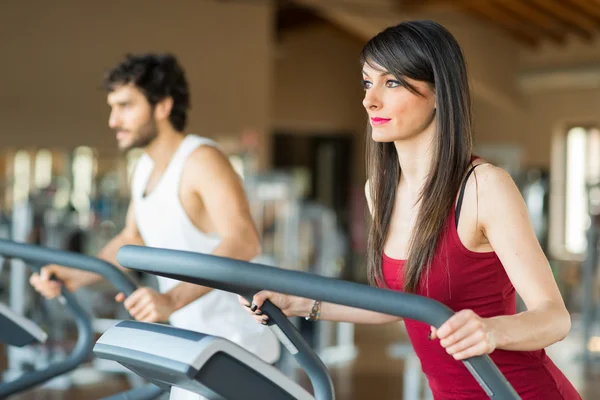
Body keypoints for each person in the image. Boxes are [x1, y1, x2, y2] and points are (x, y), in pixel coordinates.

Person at [242, 20, 580, 399]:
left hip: (520, 392)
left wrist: (491, 330)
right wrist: (298, 303)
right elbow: (399, 302)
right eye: (368, 83)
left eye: (392, 83)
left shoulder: (483, 187)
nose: (370, 100)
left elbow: (554, 317)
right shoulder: (381, 191)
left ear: (439, 93)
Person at [30, 53, 280, 400]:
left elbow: (244, 241)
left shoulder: (201, 159)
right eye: (112, 107)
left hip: (237, 351)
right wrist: (75, 274)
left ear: (162, 106)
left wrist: (169, 299)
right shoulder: (145, 168)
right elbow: (132, 238)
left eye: (125, 106)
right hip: (194, 346)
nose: (113, 120)